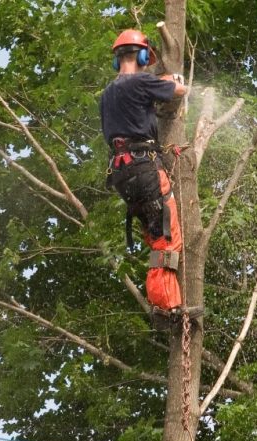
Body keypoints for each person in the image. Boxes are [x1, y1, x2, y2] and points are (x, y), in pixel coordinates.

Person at [99, 29, 194, 326]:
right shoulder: (140, 81)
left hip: (122, 173)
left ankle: (162, 304)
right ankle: (167, 310)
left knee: (156, 236)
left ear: (117, 59)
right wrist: (174, 80)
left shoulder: (107, 94)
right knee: (167, 238)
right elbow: (179, 91)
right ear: (142, 56)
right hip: (144, 167)